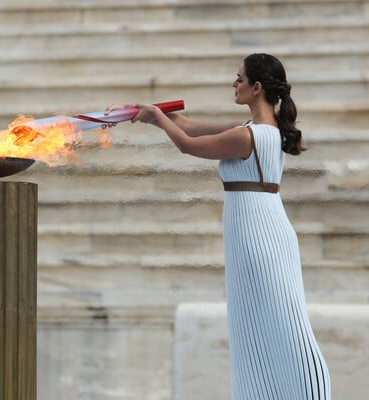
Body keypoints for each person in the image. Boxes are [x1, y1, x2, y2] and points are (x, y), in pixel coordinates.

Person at [105, 53, 330, 399]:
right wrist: (149, 114)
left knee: (285, 323)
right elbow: (192, 126)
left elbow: (187, 144)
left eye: (239, 79)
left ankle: (312, 391)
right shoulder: (257, 131)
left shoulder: (249, 138)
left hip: (261, 237)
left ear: (256, 88)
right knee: (252, 324)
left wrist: (160, 120)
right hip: (252, 232)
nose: (234, 84)